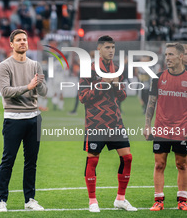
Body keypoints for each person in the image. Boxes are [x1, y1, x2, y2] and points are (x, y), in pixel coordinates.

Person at [79, 35, 137, 212]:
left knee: (127, 158)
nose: (111, 51)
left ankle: (120, 198)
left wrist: (117, 85)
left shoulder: (118, 69)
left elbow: (123, 96)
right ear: (99, 49)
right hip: (95, 123)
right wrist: (103, 83)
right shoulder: (88, 69)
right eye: (107, 47)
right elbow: (82, 97)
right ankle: (92, 201)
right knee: (93, 160)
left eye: (113, 47)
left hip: (115, 122)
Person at [0, 29, 47, 212]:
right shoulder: (4, 66)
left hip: (34, 117)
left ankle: (30, 199)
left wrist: (39, 85)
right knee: (8, 160)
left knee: (31, 161)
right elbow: (6, 92)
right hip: (13, 118)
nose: (22, 42)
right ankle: (1, 200)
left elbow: (44, 92)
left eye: (24, 39)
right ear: (11, 44)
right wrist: (28, 86)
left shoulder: (35, 65)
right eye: (18, 40)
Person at [144, 43, 187, 211]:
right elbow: (151, 103)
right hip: (161, 128)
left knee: (182, 164)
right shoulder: (158, 77)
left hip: (182, 129)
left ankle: (182, 200)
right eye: (166, 55)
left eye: (171, 55)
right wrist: (147, 125)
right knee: (159, 164)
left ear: (181, 57)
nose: (167, 58)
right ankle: (158, 201)